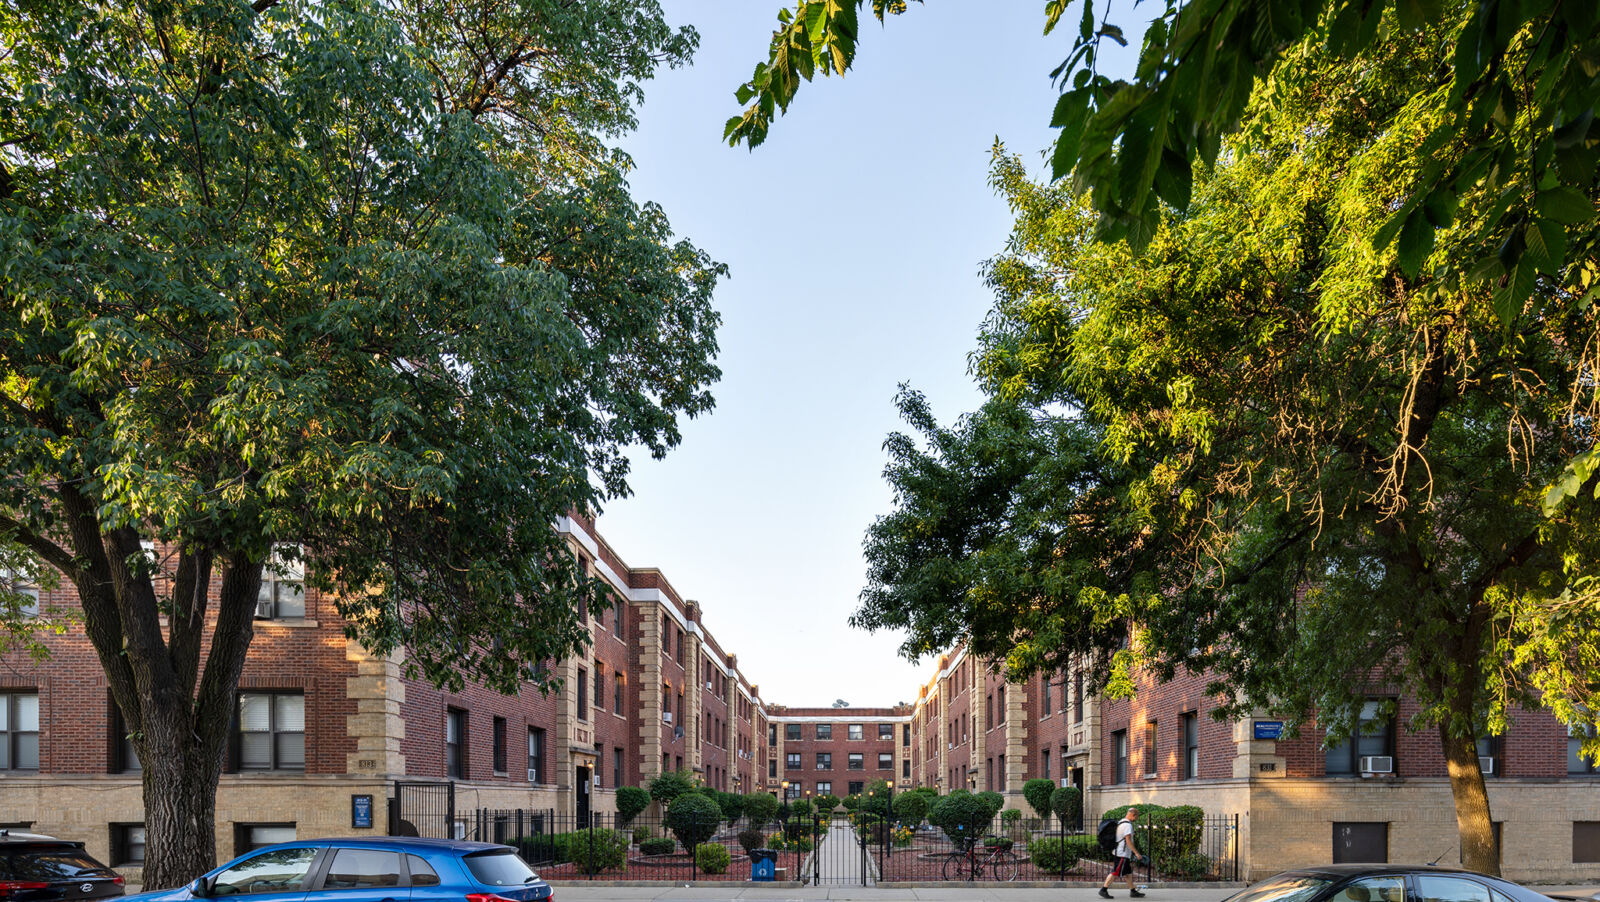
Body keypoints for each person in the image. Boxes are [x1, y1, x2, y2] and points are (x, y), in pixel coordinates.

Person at [1099, 809, 1144, 898]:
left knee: (1128, 873)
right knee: (1115, 872)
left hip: (1119, 852)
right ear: (1133, 815)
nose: (1137, 818)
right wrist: (1136, 853)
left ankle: (1133, 891)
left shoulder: (1121, 822)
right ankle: (1103, 890)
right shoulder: (1127, 825)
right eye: (1137, 816)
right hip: (1122, 854)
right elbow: (1128, 841)